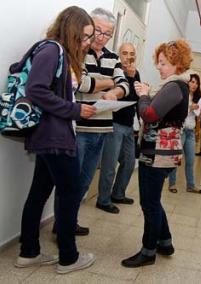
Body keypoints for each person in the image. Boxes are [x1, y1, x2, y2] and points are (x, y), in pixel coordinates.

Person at [15, 6, 97, 273]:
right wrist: (74, 110)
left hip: (50, 136)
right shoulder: (53, 50)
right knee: (70, 193)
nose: (86, 43)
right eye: (84, 36)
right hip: (55, 137)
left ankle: (28, 253)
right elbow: (36, 89)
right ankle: (68, 257)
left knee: (39, 193)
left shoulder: (57, 52)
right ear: (71, 29)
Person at [121, 39, 192, 267]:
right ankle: (164, 241)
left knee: (149, 204)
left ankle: (148, 251)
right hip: (161, 152)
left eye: (163, 63)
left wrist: (143, 95)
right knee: (154, 200)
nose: (158, 67)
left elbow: (149, 115)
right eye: (158, 62)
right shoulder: (174, 86)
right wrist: (148, 94)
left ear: (176, 64)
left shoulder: (174, 86)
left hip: (158, 153)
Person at [76, 7, 129, 219]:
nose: (102, 37)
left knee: (86, 180)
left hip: (102, 129)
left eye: (108, 33)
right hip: (80, 126)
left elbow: (124, 85)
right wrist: (109, 82)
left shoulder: (113, 57)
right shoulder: (79, 50)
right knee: (72, 179)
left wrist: (115, 92)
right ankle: (63, 224)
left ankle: (71, 221)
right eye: (98, 31)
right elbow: (83, 83)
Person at [97, 43, 139, 213]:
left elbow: (136, 96)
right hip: (114, 124)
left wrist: (133, 77)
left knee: (129, 162)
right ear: (119, 54)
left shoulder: (135, 73)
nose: (128, 56)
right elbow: (119, 95)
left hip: (129, 125)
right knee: (109, 164)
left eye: (132, 53)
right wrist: (128, 78)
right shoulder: (114, 71)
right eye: (125, 53)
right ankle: (103, 200)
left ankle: (118, 194)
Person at [168, 74, 201, 194]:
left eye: (196, 83)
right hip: (181, 131)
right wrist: (190, 108)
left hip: (191, 132)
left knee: (190, 160)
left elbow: (197, 116)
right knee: (176, 159)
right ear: (188, 83)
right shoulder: (182, 96)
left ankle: (190, 185)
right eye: (192, 82)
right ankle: (172, 184)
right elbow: (177, 112)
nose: (194, 85)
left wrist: (199, 113)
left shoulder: (199, 99)